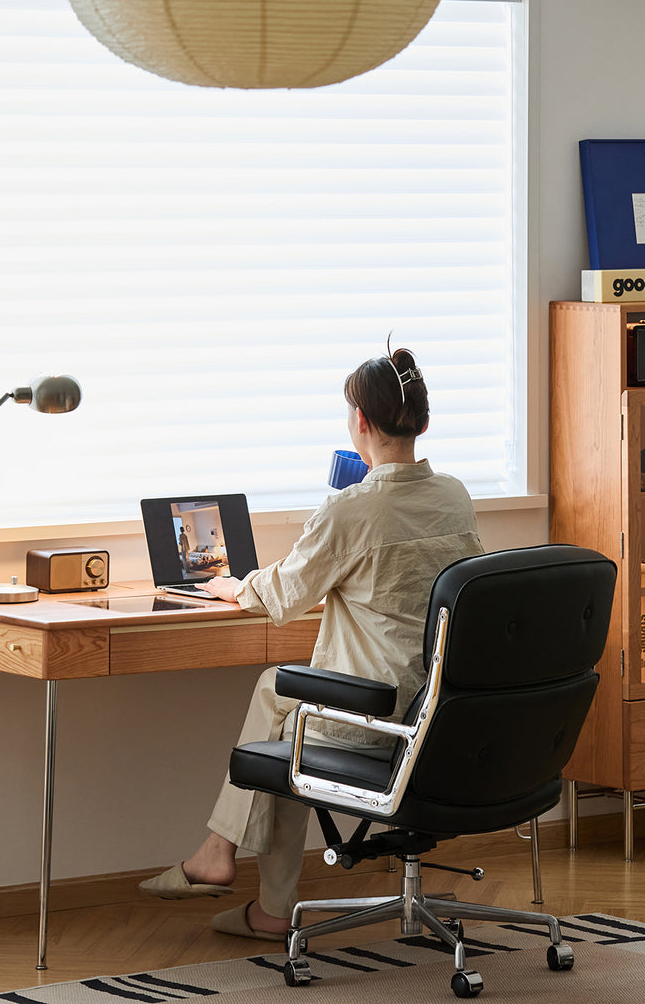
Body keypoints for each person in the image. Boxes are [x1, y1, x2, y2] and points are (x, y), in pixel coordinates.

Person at [139, 344, 483, 941]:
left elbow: (284, 594)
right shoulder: (453, 497)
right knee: (287, 715)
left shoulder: (353, 510)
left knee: (278, 697)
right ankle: (246, 883)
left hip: (379, 720)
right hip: (444, 713)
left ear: (360, 425)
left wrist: (230, 586)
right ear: (423, 424)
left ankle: (228, 861)